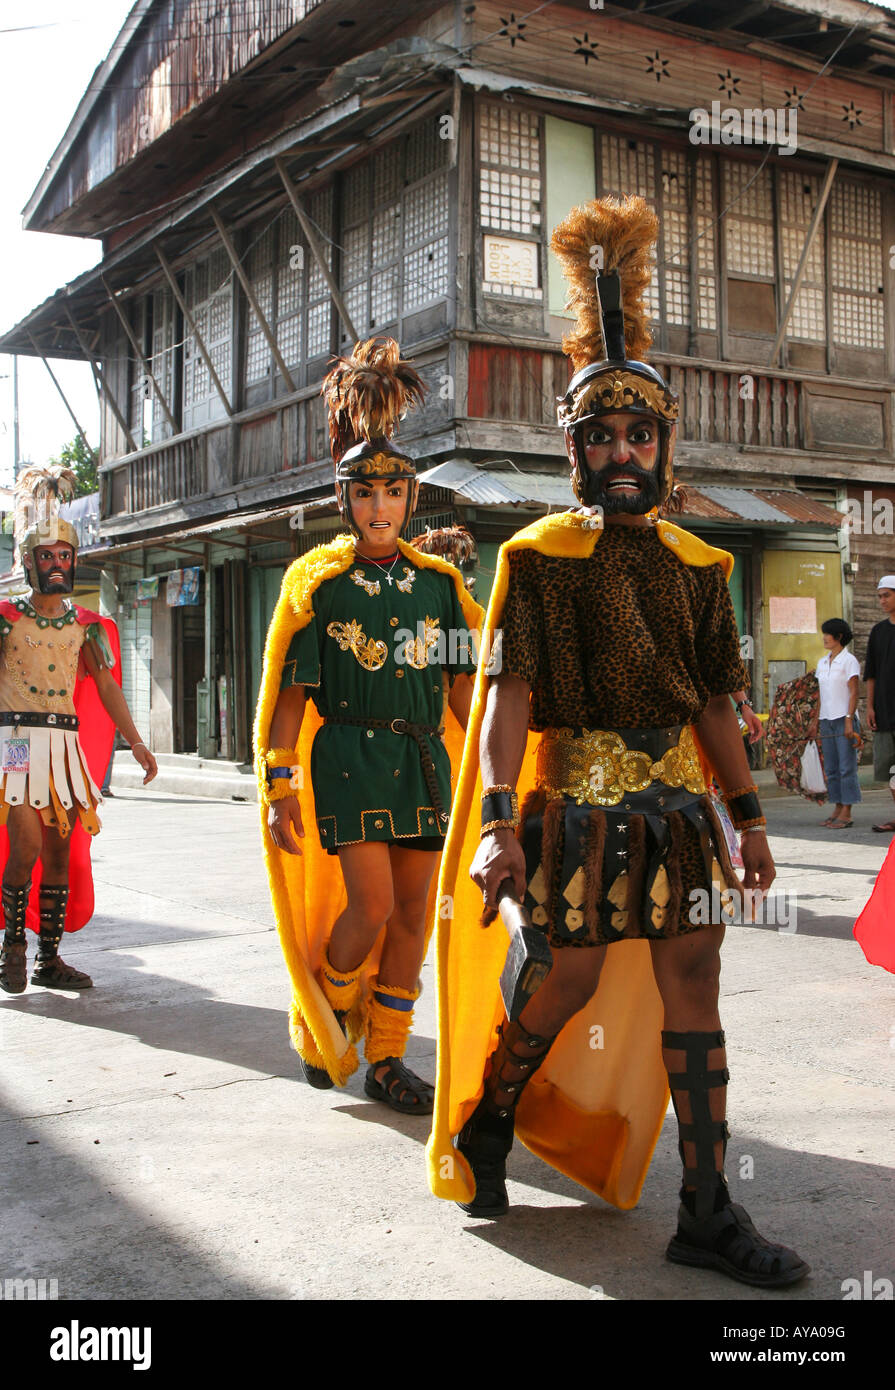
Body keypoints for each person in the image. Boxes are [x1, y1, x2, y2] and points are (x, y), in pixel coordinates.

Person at [426, 195, 809, 1288]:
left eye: (641, 433)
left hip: (679, 814)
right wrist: (499, 824)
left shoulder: (701, 567)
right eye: (603, 434)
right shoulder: (540, 556)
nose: (625, 450)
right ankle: (491, 1123)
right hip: (577, 811)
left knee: (696, 977)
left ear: (665, 444)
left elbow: (713, 702)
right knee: (568, 988)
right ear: (574, 448)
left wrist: (745, 818)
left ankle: (704, 1205)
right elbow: (510, 696)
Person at [255, 338, 482, 1112]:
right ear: (344, 499)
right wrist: (278, 785)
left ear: (410, 499)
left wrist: (494, 773)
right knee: (373, 907)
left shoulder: (441, 586)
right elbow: (289, 695)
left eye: (391, 493)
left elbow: (462, 689)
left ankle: (385, 1056)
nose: (378, 508)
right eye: (364, 494)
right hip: (347, 753)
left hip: (425, 760)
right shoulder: (318, 583)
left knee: (417, 913)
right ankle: (327, 1015)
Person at [0, 467, 157, 994]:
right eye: (47, 556)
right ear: (28, 562)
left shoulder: (85, 626)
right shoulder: (3, 619)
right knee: (22, 845)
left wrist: (135, 741)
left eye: (65, 556)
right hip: (16, 744)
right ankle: (13, 948)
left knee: (60, 851)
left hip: (64, 749)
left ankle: (49, 958)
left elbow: (109, 688)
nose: (58, 563)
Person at [814, 619, 861, 829]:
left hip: (844, 719)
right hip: (826, 720)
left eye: (828, 633)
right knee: (831, 768)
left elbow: (853, 692)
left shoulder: (849, 661)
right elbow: (820, 695)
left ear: (839, 637)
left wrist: (850, 720)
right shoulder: (822, 662)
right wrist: (815, 721)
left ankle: (847, 811)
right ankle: (837, 806)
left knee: (846, 768)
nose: (824, 637)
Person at [864, 576, 895, 833]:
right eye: (880, 596)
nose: (882, 600)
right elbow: (871, 673)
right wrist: (870, 707)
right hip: (885, 713)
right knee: (890, 772)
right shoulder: (878, 631)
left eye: (887, 595)